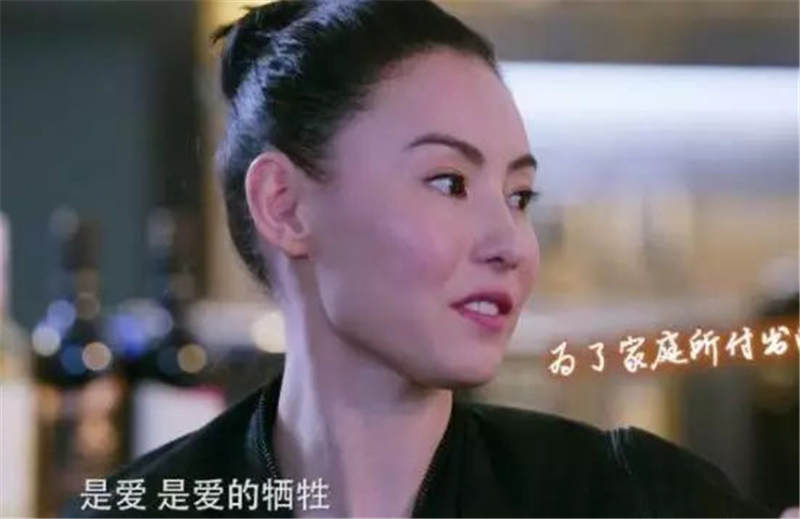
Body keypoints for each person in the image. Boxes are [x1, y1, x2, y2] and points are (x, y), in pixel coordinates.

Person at [65, 0, 782, 517]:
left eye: (520, 196)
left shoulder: (627, 497)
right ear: (284, 205)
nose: (511, 244)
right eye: (449, 182)